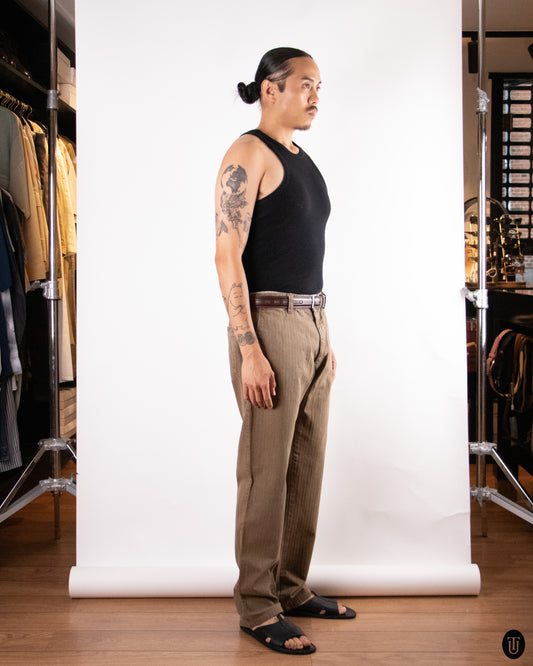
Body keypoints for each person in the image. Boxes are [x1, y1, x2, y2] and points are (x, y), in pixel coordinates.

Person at [214, 47, 356, 656]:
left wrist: (323, 335)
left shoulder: (301, 158)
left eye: (319, 86)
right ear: (270, 89)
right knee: (265, 471)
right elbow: (226, 254)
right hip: (269, 324)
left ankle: (291, 588)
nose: (316, 96)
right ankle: (256, 604)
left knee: (306, 464)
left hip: (314, 321)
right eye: (305, 84)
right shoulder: (248, 154)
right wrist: (249, 348)